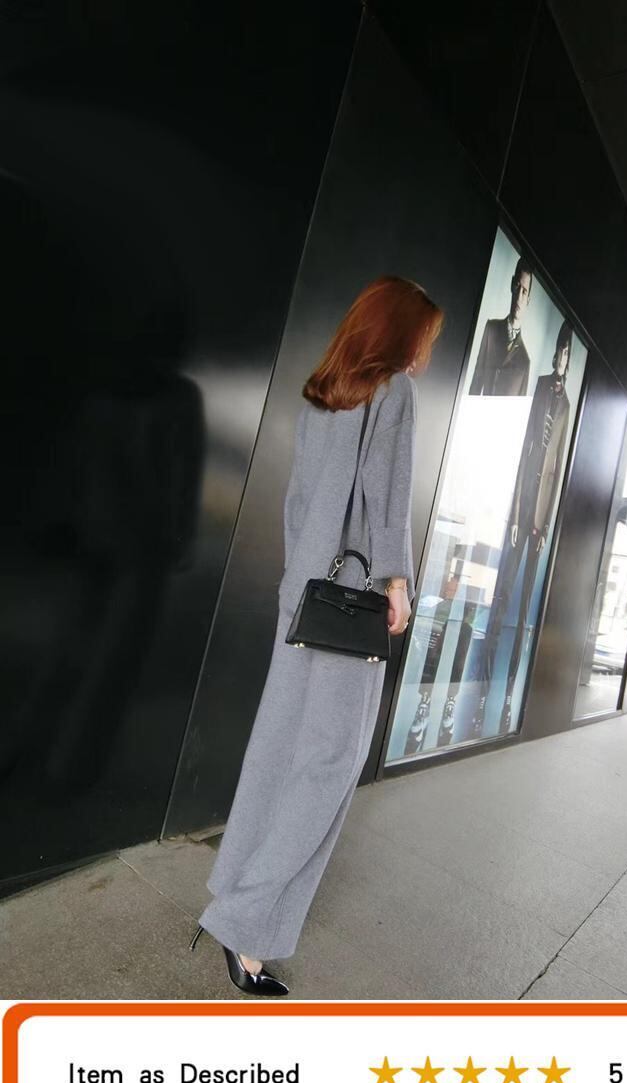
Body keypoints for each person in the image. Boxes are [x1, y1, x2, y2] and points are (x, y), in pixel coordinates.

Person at [190, 276, 443, 995]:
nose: (425, 351)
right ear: (401, 333)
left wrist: (299, 580)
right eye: (424, 336)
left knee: (280, 749)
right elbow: (387, 498)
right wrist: (396, 582)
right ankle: (246, 927)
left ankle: (234, 889)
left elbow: (300, 504)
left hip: (302, 595)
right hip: (351, 603)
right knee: (329, 764)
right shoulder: (394, 392)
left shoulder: (324, 395)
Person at [471, 320, 573, 738]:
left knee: (527, 604)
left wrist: (543, 524)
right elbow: (524, 448)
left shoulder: (567, 404)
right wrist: (515, 513)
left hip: (540, 518)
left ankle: (511, 689)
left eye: (567, 354)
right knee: (501, 596)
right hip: (522, 504)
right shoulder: (540, 383)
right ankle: (481, 686)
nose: (561, 358)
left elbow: (558, 464)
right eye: (560, 351)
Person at [468, 258, 533, 396]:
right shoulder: (491, 329)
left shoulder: (525, 362)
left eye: (524, 292)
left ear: (528, 300)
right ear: (512, 285)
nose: (519, 297)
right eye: (517, 286)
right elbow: (476, 382)